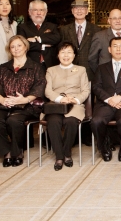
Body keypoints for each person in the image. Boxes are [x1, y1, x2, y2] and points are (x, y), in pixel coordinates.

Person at [0, 35, 46, 167]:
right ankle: (6, 152)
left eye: (19, 45)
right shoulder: (3, 68)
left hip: (26, 106)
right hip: (4, 104)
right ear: (9, 50)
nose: (16, 49)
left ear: (25, 47)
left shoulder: (35, 67)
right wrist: (2, 100)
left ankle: (17, 153)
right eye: (12, 47)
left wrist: (24, 99)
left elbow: (40, 86)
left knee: (13, 120)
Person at [91, 37, 121, 162]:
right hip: (105, 103)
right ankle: (104, 148)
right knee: (96, 121)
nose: (118, 49)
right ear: (109, 49)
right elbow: (96, 86)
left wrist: (120, 97)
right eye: (115, 46)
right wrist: (109, 99)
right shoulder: (101, 68)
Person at [44, 42, 90, 170]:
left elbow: (85, 90)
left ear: (74, 55)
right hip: (56, 104)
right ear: (58, 55)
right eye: (63, 52)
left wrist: (74, 99)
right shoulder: (51, 70)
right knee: (53, 121)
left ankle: (67, 153)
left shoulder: (81, 70)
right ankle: (59, 156)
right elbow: (48, 90)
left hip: (75, 104)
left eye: (69, 52)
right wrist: (60, 99)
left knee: (71, 122)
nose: (66, 55)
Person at [60, 0, 100, 81]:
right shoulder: (65, 29)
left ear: (87, 11)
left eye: (82, 8)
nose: (79, 11)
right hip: (69, 70)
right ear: (72, 11)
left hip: (89, 71)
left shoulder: (96, 29)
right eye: (76, 8)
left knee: (87, 93)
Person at [17, 0, 61, 70]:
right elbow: (23, 45)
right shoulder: (22, 27)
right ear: (29, 12)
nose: (38, 13)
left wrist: (38, 39)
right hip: (30, 66)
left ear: (46, 12)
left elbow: (56, 38)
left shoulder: (52, 26)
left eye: (41, 10)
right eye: (35, 10)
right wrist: (43, 45)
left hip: (50, 66)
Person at [89, 8, 121, 76]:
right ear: (108, 21)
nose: (118, 21)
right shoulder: (99, 36)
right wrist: (101, 74)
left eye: (120, 18)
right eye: (114, 18)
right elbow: (92, 59)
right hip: (106, 78)